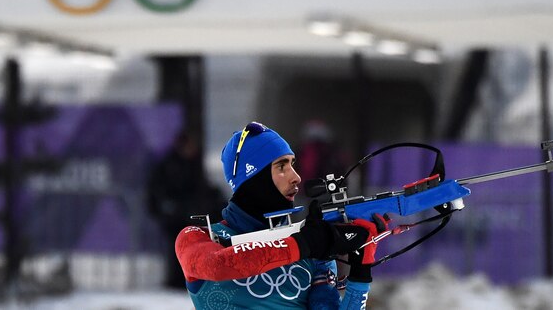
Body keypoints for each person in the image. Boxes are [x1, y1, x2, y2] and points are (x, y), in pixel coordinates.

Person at [175, 122, 388, 308]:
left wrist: (361, 270)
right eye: (281, 166)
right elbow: (218, 266)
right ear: (253, 177)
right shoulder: (198, 237)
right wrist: (305, 243)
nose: (296, 177)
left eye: (292, 164)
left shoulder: (312, 252)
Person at [147, 130, 224, 289]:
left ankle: (187, 278)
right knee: (178, 249)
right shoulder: (170, 166)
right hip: (176, 218)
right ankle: (178, 280)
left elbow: (201, 189)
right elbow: (160, 193)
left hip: (187, 216)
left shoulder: (192, 165)